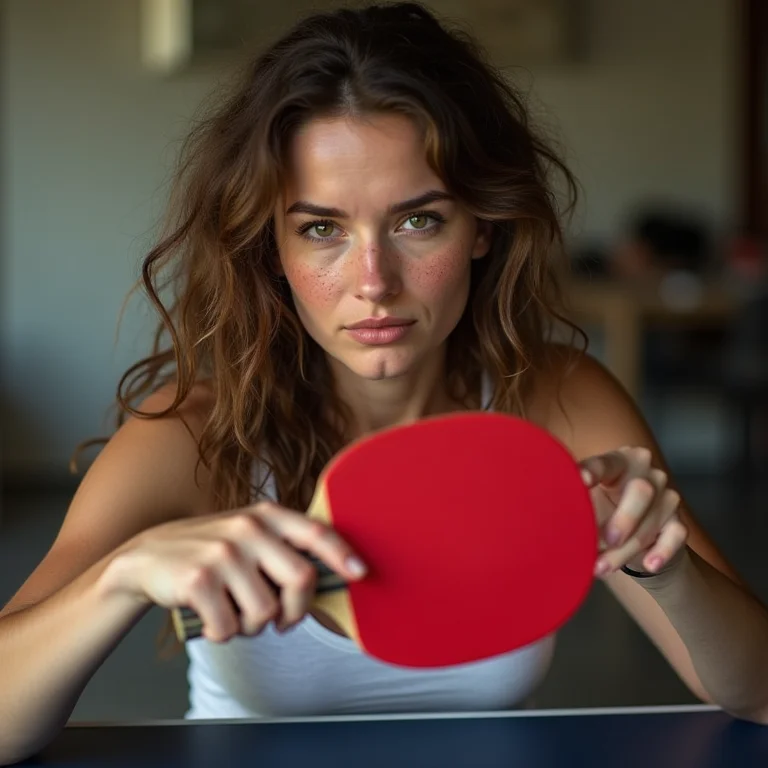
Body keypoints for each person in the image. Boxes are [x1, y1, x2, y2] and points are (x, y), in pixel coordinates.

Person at [1, 2, 767, 762]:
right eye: (322, 229)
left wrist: (662, 566)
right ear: (272, 249)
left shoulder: (557, 400)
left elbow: (756, 695)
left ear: (482, 226)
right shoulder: (189, 433)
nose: (374, 282)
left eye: (417, 221)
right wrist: (121, 578)